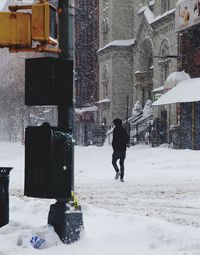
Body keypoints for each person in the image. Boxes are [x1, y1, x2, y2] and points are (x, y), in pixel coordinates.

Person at [112, 118, 129, 182]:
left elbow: (114, 140)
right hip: (123, 149)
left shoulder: (115, 129)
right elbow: (127, 138)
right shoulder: (123, 130)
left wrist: (114, 146)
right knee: (121, 163)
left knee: (113, 161)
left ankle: (117, 171)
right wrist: (123, 143)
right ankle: (122, 178)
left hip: (116, 149)